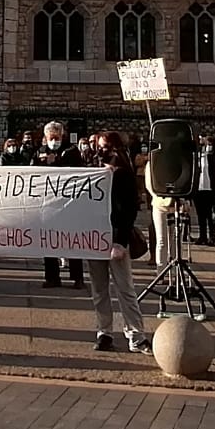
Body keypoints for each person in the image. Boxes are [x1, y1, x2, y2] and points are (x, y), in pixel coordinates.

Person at [88, 132, 148, 352]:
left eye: (103, 147)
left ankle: (136, 335)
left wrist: (120, 242)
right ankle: (104, 332)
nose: (99, 150)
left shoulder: (122, 174)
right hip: (93, 238)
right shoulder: (94, 171)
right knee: (99, 289)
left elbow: (128, 210)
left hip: (114, 238)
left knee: (125, 289)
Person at [33, 122, 86, 290]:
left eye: (56, 138)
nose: (53, 141)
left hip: (69, 203)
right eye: (50, 138)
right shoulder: (41, 151)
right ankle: (52, 277)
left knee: (72, 240)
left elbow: (77, 171)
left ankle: (77, 277)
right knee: (48, 241)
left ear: (62, 136)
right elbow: (32, 171)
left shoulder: (71, 151)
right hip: (48, 203)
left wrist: (57, 162)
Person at [188, 134, 215, 248]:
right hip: (199, 189)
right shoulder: (197, 158)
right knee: (201, 214)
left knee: (211, 215)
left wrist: (210, 154)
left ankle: (212, 236)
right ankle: (202, 235)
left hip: (211, 189)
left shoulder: (213, 157)